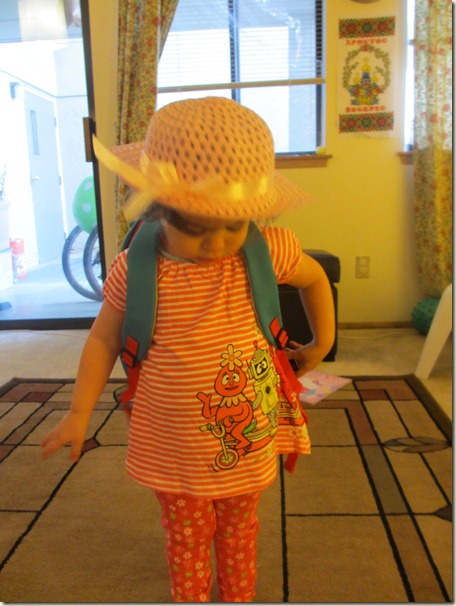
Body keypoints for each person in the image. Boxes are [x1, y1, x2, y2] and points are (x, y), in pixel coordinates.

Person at [41, 97, 335, 602]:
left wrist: (320, 342)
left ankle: (238, 596)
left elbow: (315, 279)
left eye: (232, 226)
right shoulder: (137, 269)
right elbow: (103, 339)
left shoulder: (269, 251)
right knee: (187, 536)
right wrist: (78, 411)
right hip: (172, 447)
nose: (216, 243)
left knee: (239, 529)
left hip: (246, 442)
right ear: (158, 211)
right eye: (195, 229)